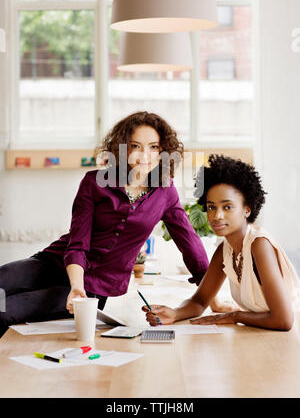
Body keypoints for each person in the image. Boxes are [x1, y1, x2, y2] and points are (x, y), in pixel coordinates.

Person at [0, 112, 224, 338]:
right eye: (136, 146)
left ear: (164, 151)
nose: (145, 155)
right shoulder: (93, 182)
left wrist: (213, 301)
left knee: (5, 310)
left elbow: (191, 247)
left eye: (154, 147)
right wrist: (76, 285)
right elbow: (78, 244)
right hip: (56, 263)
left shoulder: (166, 192)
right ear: (122, 149)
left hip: (95, 288)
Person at [143, 154, 300, 331]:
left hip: (290, 339)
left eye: (227, 207)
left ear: (247, 209)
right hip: (261, 334)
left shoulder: (259, 245)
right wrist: (174, 313)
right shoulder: (225, 249)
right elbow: (200, 301)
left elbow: (284, 320)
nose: (217, 216)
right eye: (211, 207)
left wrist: (234, 316)